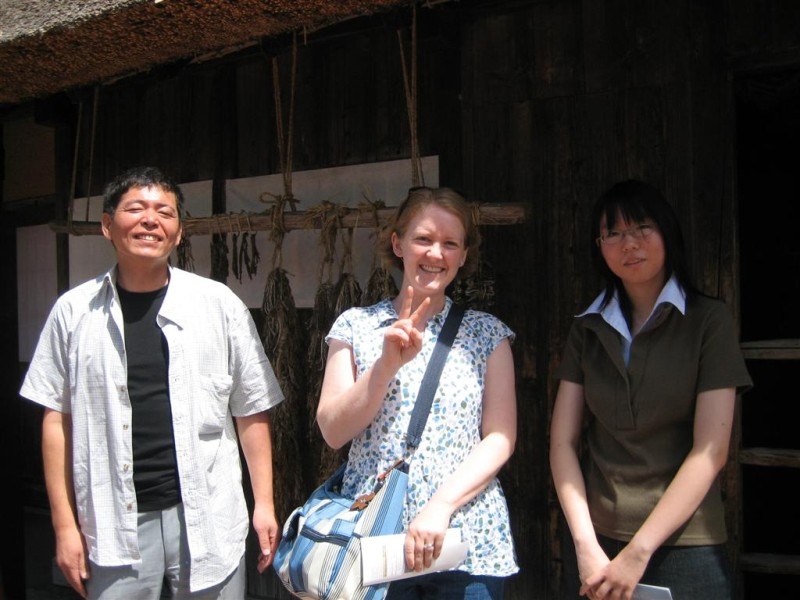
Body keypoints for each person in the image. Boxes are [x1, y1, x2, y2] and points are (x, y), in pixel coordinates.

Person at [20, 166, 284, 599]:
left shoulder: (218, 306)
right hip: (111, 523)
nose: (150, 220)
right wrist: (64, 525)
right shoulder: (73, 313)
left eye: (165, 212)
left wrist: (265, 504)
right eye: (135, 209)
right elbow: (56, 419)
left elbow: (251, 408)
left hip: (207, 516)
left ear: (178, 233)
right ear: (108, 225)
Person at [549, 179, 753, 600]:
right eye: (614, 233)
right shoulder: (586, 328)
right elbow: (562, 443)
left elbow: (710, 451)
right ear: (599, 246)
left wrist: (639, 551)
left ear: (667, 233)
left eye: (643, 227)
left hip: (686, 542)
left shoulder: (707, 321)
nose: (630, 244)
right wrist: (585, 545)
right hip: (599, 542)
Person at [316, 186, 518, 599]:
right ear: (398, 243)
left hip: (466, 533)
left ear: (463, 256)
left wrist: (442, 505)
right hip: (374, 531)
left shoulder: (487, 334)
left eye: (450, 243)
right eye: (423, 239)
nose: (435, 254)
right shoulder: (356, 326)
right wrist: (385, 365)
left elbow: (500, 437)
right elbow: (333, 430)